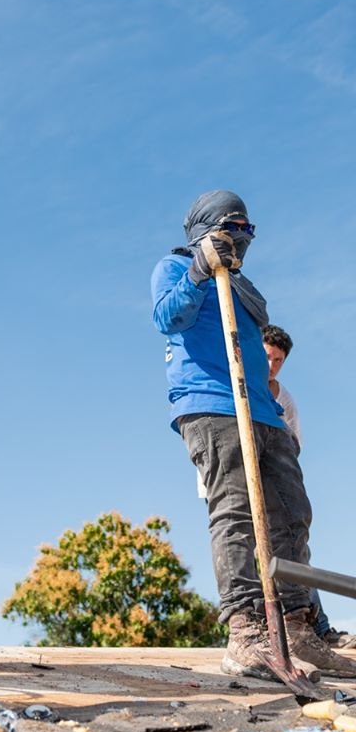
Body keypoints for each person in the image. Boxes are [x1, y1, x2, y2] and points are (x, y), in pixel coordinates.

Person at [151, 190, 356, 679]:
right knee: (237, 512)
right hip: (212, 404)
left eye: (248, 231)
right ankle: (246, 631)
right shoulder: (174, 267)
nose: (241, 238)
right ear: (204, 230)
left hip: (264, 409)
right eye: (231, 228)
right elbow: (167, 318)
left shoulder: (243, 287)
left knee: (292, 513)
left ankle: (298, 628)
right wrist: (199, 270)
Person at [263, 324, 355, 649]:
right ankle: (263, 633)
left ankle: (319, 628)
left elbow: (293, 446)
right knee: (251, 555)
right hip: (240, 485)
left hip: (276, 482)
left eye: (278, 360)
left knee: (294, 548)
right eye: (267, 356)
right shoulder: (237, 386)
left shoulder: (284, 399)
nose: (271, 365)